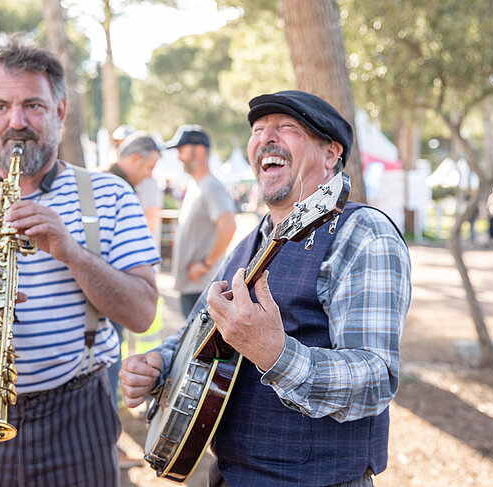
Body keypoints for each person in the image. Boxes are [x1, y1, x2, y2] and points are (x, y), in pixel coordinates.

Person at [120, 90, 412, 486]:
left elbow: (375, 378)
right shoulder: (250, 242)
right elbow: (198, 332)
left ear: (331, 156)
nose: (265, 139)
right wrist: (159, 364)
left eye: (286, 127)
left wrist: (277, 354)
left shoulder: (363, 234)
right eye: (258, 130)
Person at [0, 37, 160, 486]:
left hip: (78, 409)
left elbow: (142, 314)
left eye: (33, 106)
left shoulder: (110, 195)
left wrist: (72, 252)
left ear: (60, 112)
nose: (16, 122)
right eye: (0, 106)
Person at [105, 132, 162, 407]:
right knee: (108, 354)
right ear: (136, 158)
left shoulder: (114, 183)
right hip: (110, 290)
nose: (149, 175)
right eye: (149, 167)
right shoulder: (113, 187)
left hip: (114, 288)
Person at [166, 126, 236, 317]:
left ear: (199, 150)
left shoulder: (211, 186)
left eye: (181, 150)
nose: (179, 157)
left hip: (201, 287)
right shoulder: (196, 185)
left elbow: (228, 226)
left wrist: (205, 264)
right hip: (192, 287)